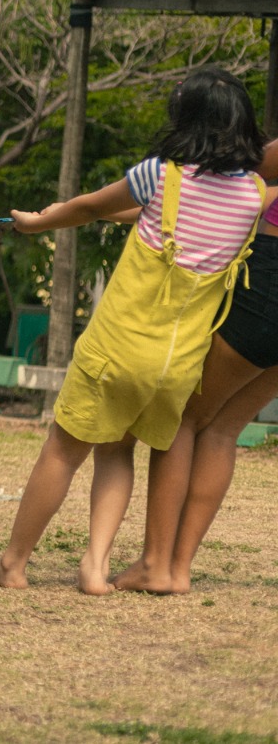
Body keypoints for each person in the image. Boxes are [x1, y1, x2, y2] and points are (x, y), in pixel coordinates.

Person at [0, 68, 270, 594]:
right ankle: (94, 569)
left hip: (117, 350)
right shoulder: (254, 194)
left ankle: (13, 563)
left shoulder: (159, 175)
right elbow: (181, 219)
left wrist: (39, 222)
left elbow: (92, 205)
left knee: (62, 450)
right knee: (117, 451)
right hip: (176, 368)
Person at [115, 137, 278, 594]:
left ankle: (156, 565)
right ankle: (177, 568)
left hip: (269, 291)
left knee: (183, 416)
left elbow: (227, 180)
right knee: (223, 427)